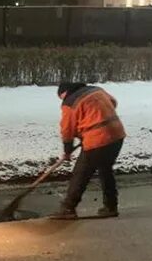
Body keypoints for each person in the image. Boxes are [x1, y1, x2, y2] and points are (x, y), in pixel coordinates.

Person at [52, 82, 126, 220]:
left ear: (65, 93)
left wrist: (67, 150)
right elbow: (113, 102)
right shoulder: (96, 90)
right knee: (105, 169)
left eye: (61, 97)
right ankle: (111, 206)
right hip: (117, 134)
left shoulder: (70, 102)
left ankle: (68, 208)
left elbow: (67, 130)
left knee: (81, 173)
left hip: (97, 140)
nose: (62, 100)